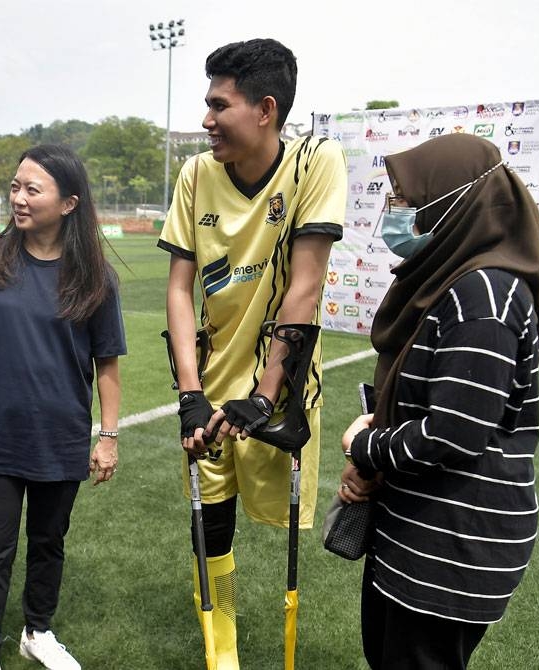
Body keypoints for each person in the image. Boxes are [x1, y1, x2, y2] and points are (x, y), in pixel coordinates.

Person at [158, 38, 346, 668]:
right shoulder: (194, 174)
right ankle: (223, 656)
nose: (206, 119)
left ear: (265, 109)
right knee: (209, 526)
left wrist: (265, 394)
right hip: (210, 386)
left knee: (277, 522)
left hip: (279, 388)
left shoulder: (316, 161)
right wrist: (190, 393)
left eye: (219, 104)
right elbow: (180, 288)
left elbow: (306, 284)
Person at [339, 133, 539, 669]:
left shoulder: (484, 293)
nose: (399, 215)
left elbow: (452, 435)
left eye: (411, 203)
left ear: (454, 206)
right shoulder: (454, 281)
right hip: (418, 532)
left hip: (451, 546)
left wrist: (365, 446)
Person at [0, 144, 125, 670]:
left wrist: (107, 437)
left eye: (32, 189)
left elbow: (108, 363)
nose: (18, 198)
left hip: (61, 435)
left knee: (49, 542)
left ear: (68, 203)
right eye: (15, 187)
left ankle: (37, 632)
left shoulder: (94, 277)